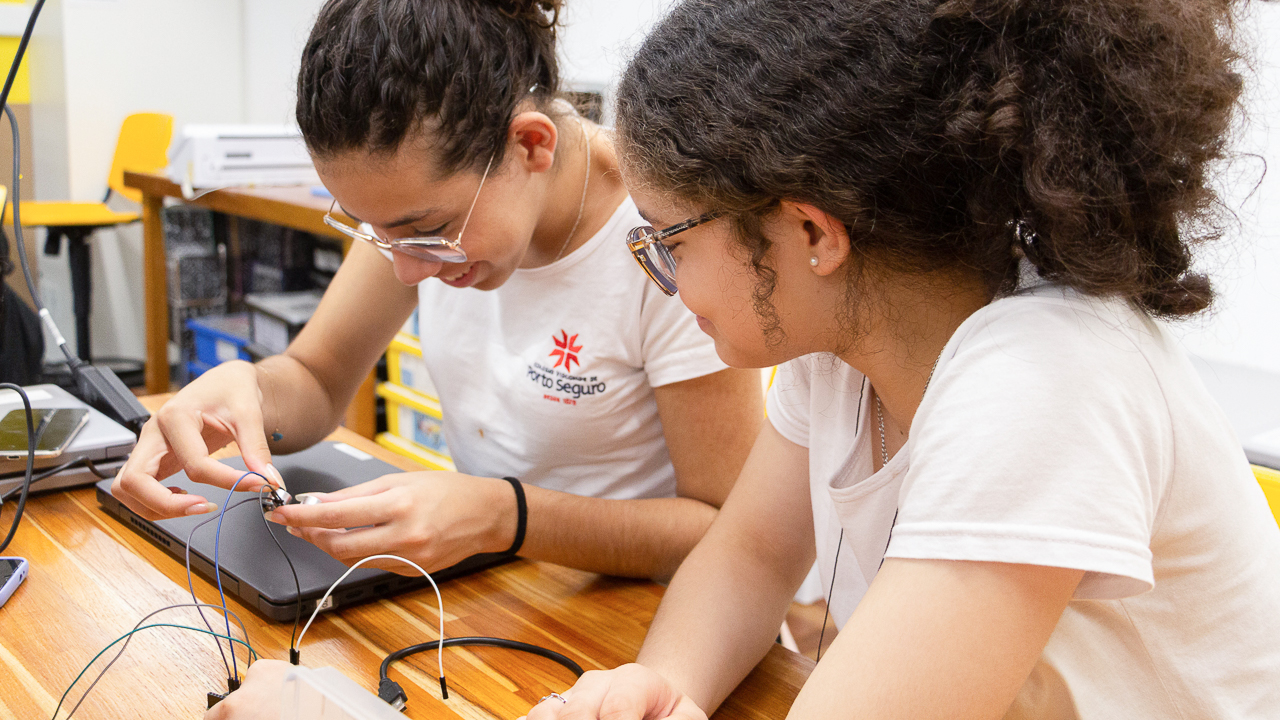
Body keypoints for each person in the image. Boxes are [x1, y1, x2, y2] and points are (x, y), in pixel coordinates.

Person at [517, 0, 1280, 718]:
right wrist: (664, 685)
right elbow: (751, 555)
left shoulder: (1047, 378)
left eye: (670, 242)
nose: (663, 275)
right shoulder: (843, 333)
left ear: (812, 234)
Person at [112, 0, 763, 584]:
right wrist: (245, 393)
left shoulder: (664, 237)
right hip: (495, 588)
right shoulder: (419, 214)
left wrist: (503, 515)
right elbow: (315, 376)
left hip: (641, 626)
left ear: (531, 146)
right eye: (377, 233)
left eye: (426, 231)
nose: (404, 271)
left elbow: (726, 531)